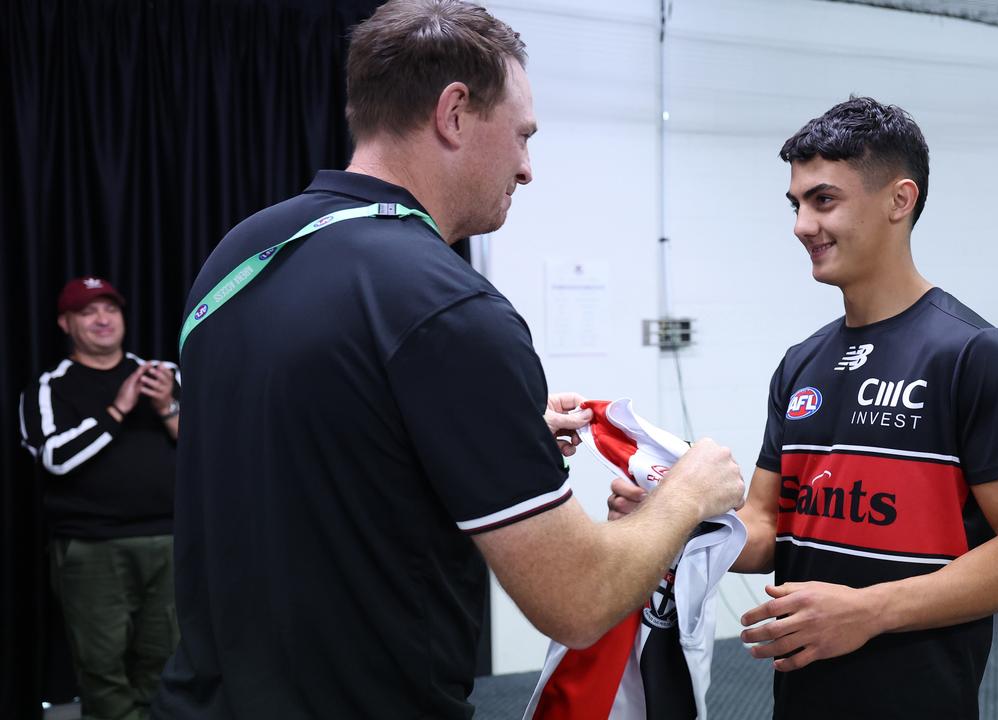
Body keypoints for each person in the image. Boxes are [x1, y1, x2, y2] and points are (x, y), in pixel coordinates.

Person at [149, 2, 743, 718]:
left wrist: (481, 433)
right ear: (454, 112)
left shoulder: (238, 256)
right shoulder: (449, 309)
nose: (527, 168)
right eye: (523, 136)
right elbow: (577, 600)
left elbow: (320, 454)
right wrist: (689, 493)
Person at [611, 96, 998, 718]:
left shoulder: (973, 356)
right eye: (796, 204)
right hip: (802, 686)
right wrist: (677, 523)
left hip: (920, 695)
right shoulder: (801, 362)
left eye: (823, 200)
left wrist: (870, 612)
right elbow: (770, 525)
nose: (801, 224)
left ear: (898, 201)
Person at [18, 276, 181, 720]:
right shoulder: (50, 388)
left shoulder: (161, 374)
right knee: (102, 669)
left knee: (166, 661)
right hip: (92, 548)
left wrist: (167, 407)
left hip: (167, 540)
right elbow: (55, 458)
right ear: (65, 323)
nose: (103, 319)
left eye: (110, 309)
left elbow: (205, 451)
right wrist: (117, 410)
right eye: (88, 312)